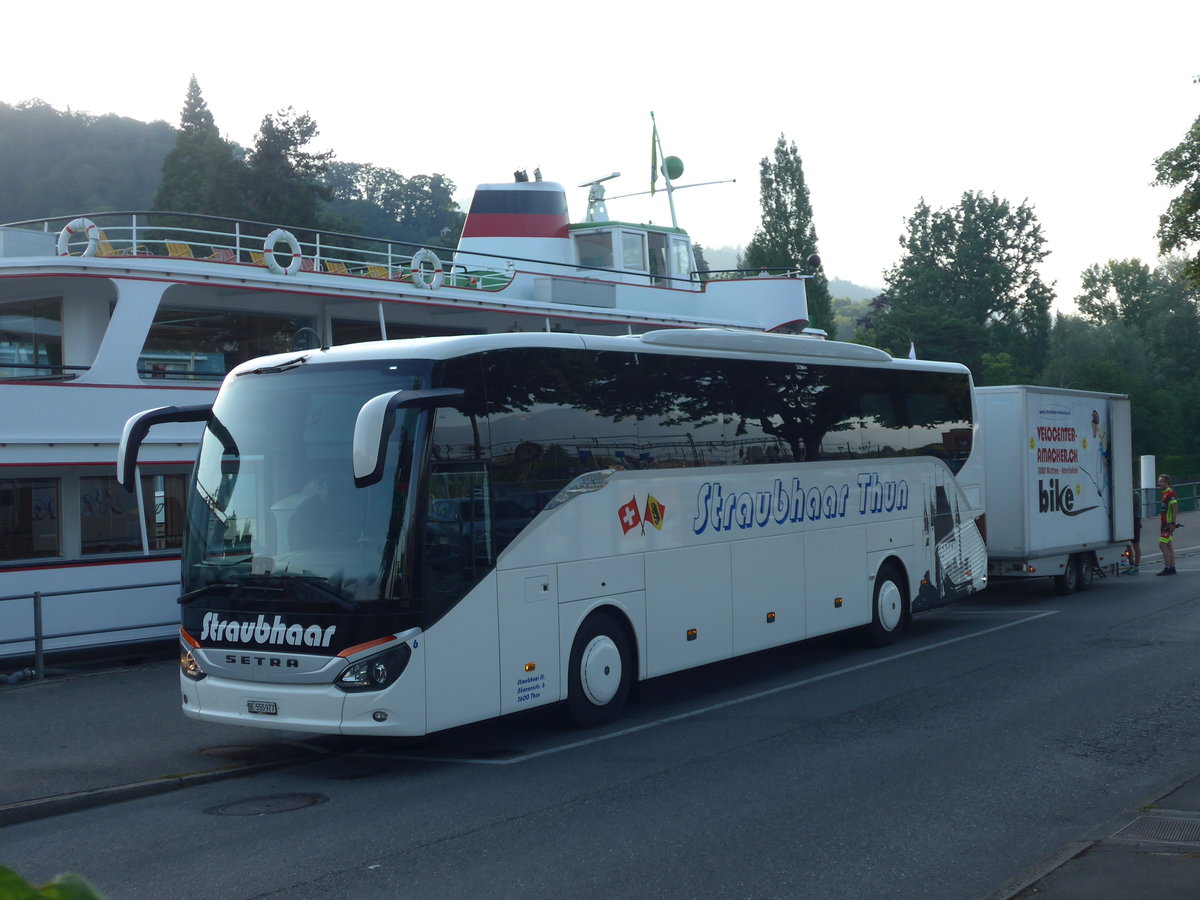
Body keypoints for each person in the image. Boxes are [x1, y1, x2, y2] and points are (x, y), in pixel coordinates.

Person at [1156, 473, 1179, 576]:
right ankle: (1172, 567)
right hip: (1164, 523)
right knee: (1169, 545)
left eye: (1161, 481)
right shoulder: (1164, 493)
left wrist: (1173, 523)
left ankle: (1168, 568)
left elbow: (1175, 508)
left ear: (1167, 482)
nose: (1158, 483)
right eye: (1159, 481)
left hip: (1167, 524)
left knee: (1162, 545)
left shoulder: (1171, 493)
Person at [1127, 489, 1142, 574]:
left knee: (1135, 544)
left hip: (1135, 521)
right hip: (1129, 521)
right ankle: (1131, 565)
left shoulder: (1135, 495)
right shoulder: (1130, 494)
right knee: (1128, 545)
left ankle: (1136, 567)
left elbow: (1128, 504)